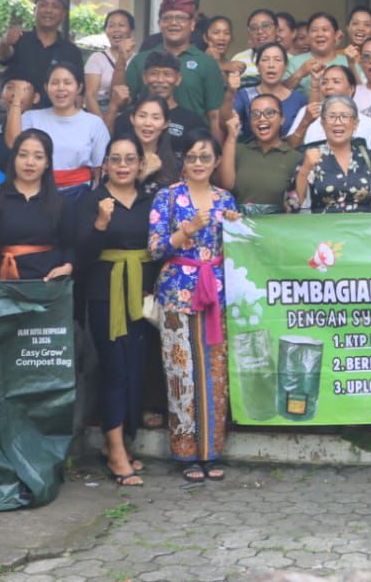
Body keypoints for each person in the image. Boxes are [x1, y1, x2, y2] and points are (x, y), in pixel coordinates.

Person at [148, 130, 236, 481]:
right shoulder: (167, 197)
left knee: (215, 372)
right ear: (183, 162)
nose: (198, 163)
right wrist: (186, 230)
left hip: (215, 293)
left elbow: (236, 250)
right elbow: (154, 249)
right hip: (176, 292)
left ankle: (212, 451)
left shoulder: (225, 199)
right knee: (180, 371)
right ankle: (185, 453)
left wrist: (236, 229)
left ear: (216, 162)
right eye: (192, 157)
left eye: (206, 157)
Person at [77, 135, 156, 486]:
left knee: (137, 366)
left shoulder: (150, 201)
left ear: (141, 164)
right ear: (105, 164)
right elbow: (79, 252)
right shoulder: (91, 200)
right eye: (116, 159)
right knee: (114, 369)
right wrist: (100, 225)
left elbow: (158, 247)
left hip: (141, 292)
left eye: (130, 159)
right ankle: (115, 449)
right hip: (105, 291)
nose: (123, 166)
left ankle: (121, 443)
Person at [0, 129, 77, 283]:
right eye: (23, 155)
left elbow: (69, 245)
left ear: (47, 162)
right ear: (14, 158)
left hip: (46, 283)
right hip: (1, 283)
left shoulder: (61, 202)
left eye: (38, 157)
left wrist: (67, 267)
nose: (30, 162)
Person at [4, 62, 110, 198]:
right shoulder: (31, 118)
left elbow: (99, 170)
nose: (61, 88)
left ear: (79, 88)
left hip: (79, 195)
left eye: (67, 83)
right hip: (36, 194)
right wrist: (17, 99)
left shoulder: (94, 123)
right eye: (54, 83)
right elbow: (13, 144)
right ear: (46, 88)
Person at [125, 0, 225, 125]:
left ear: (192, 24)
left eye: (180, 18)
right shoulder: (141, 60)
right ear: (160, 24)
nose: (173, 23)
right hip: (147, 137)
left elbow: (214, 115)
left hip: (194, 140)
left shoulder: (206, 63)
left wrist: (215, 145)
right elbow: (124, 103)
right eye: (167, 18)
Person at [0, 0, 84, 110]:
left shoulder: (71, 51)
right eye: (43, 5)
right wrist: (5, 42)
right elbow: (2, 57)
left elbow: (78, 94)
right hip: (18, 115)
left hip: (56, 117)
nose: (48, 10)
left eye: (55, 6)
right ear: (34, 10)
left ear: (63, 14)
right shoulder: (20, 39)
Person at [217, 93, 302, 214]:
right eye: (255, 114)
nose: (262, 118)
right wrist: (231, 136)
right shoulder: (238, 150)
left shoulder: (294, 157)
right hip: (239, 228)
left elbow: (297, 205)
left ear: (282, 119)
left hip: (277, 229)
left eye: (269, 113)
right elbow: (225, 185)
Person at [293, 96, 371, 213]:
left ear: (355, 123)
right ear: (322, 123)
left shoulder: (367, 157)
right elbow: (294, 205)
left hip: (361, 229)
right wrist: (305, 170)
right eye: (332, 117)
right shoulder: (310, 157)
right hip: (323, 228)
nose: (338, 122)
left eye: (344, 116)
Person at [111, 52, 208, 153]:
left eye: (167, 74)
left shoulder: (193, 122)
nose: (160, 80)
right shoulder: (127, 119)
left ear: (178, 79)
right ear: (144, 77)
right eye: (154, 74)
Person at [230, 42, 307, 143]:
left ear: (285, 66)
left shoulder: (299, 99)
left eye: (277, 60)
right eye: (265, 60)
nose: (271, 65)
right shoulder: (244, 95)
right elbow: (227, 121)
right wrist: (230, 91)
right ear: (257, 66)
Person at [116, 95, 182, 190]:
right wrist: (144, 174)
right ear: (132, 119)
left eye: (155, 118)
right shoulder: (118, 158)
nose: (147, 123)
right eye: (142, 116)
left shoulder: (176, 163)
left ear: (166, 124)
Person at [85, 10, 137, 116]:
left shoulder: (138, 60)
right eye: (111, 26)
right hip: (100, 114)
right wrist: (101, 125)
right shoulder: (97, 58)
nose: (116, 30)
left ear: (131, 30)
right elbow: (90, 95)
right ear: (106, 30)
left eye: (121, 25)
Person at [233, 9, 280, 84]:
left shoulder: (290, 60)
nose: (260, 31)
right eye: (254, 28)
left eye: (265, 25)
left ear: (277, 29)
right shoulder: (239, 59)